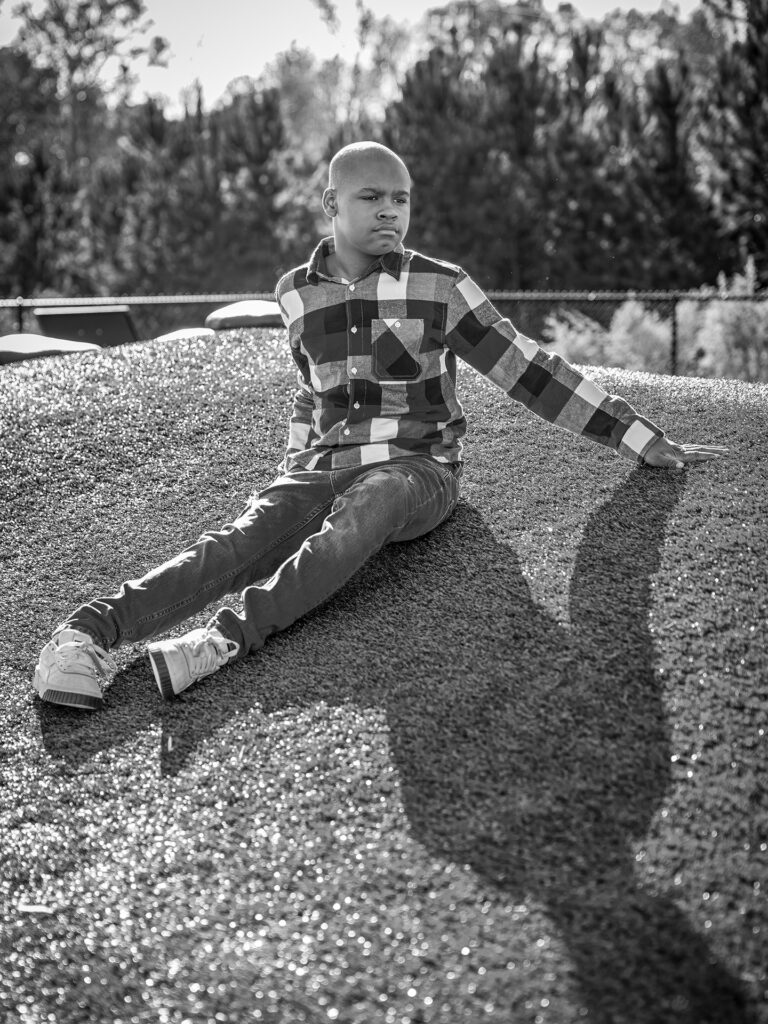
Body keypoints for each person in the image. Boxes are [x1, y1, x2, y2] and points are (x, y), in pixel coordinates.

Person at [33, 141, 727, 711]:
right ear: (331, 205)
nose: (389, 211)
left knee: (377, 500)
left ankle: (219, 640)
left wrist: (635, 434)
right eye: (371, 197)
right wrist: (292, 478)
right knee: (244, 537)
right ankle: (86, 633)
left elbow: (527, 369)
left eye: (400, 198)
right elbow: (312, 395)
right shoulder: (295, 294)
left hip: (419, 472)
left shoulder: (440, 286)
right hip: (326, 462)